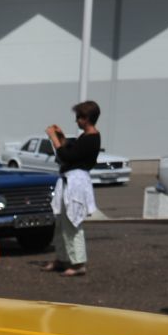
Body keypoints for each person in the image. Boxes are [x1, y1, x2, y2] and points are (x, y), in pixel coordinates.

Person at [41, 102, 102, 277]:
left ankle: (78, 263)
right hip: (69, 180)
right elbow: (71, 151)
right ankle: (62, 258)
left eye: (79, 117)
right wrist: (62, 138)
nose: (76, 121)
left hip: (75, 183)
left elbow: (67, 156)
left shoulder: (92, 138)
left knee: (72, 222)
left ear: (87, 119)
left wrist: (54, 139)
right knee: (61, 222)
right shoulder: (86, 137)